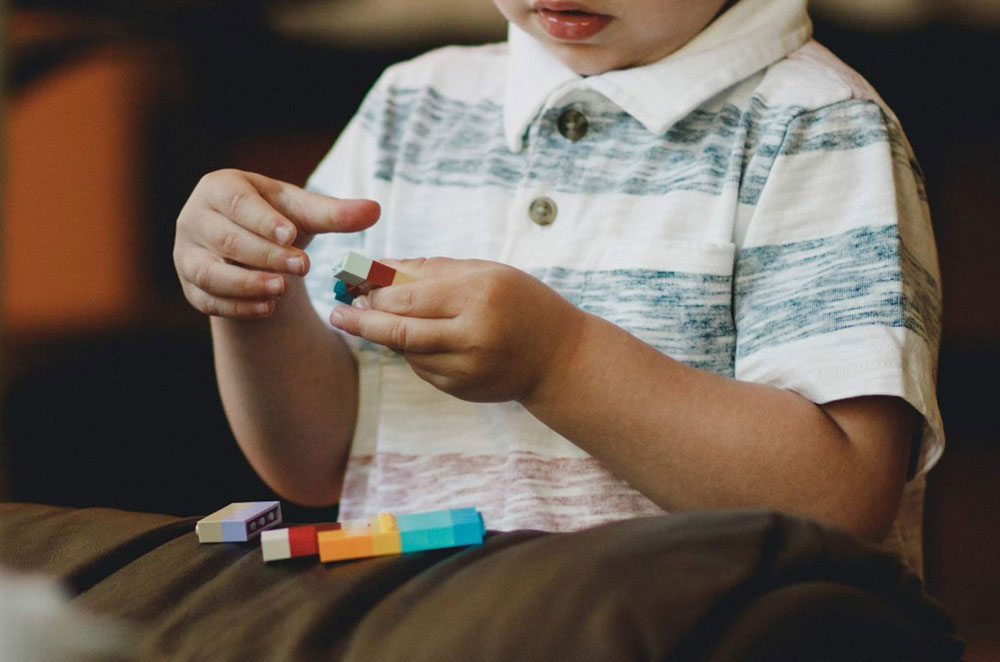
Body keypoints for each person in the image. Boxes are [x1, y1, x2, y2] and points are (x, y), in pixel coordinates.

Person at [173, 0, 943, 571]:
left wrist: (562, 362)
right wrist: (254, 296)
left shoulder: (815, 124)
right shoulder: (413, 105)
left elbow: (843, 502)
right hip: (414, 627)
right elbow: (317, 460)